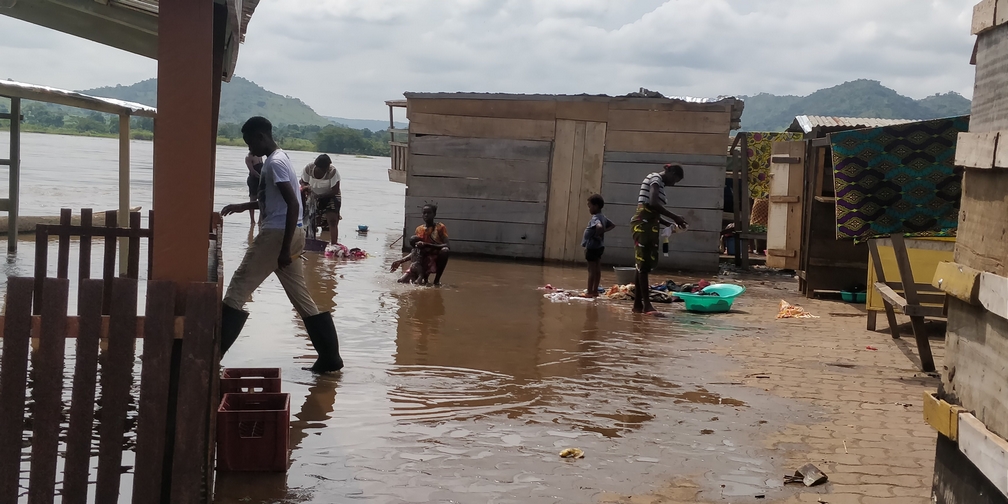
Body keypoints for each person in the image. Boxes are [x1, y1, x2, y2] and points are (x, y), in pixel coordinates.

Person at [218, 116, 344, 373]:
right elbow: (280, 200)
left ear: (261, 137)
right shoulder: (282, 158)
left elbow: (293, 203)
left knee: (236, 291)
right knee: (302, 299)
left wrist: (284, 248)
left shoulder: (274, 164)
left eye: (249, 142)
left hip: (277, 236)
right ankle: (330, 359)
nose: (249, 149)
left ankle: (208, 355)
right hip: (291, 233)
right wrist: (245, 206)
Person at [630, 163, 688, 316]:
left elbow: (653, 211)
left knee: (642, 264)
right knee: (643, 264)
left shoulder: (659, 182)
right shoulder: (655, 178)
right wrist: (675, 217)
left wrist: (669, 224)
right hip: (643, 224)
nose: (673, 184)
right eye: (675, 180)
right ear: (671, 172)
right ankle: (647, 306)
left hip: (649, 223)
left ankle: (638, 305)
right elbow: (653, 204)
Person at [300, 154, 341, 245]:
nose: (325, 171)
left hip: (331, 195)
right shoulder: (308, 169)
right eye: (323, 169)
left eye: (326, 168)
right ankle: (310, 241)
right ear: (316, 166)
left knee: (333, 220)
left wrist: (320, 197)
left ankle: (334, 244)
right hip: (314, 194)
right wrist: (305, 189)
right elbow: (303, 182)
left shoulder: (332, 171)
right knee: (311, 219)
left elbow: (335, 190)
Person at [583, 194, 615, 298]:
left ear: (596, 206)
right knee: (597, 269)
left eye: (590, 206)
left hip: (592, 247)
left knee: (591, 270)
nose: (589, 209)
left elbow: (599, 227)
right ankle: (595, 290)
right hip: (599, 247)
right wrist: (602, 232)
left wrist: (598, 234)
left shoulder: (595, 218)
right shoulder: (603, 217)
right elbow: (612, 225)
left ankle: (589, 292)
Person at [415, 203, 450, 285]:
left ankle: (437, 280)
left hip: (437, 255)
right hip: (424, 255)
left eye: (429, 213)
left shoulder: (440, 227)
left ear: (434, 214)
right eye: (424, 213)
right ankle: (424, 278)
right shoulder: (419, 229)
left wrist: (428, 245)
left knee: (445, 250)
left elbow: (447, 245)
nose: (426, 215)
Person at [245, 153, 264, 226]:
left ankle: (260, 221)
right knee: (253, 200)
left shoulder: (260, 155)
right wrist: (261, 178)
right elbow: (252, 171)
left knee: (261, 200)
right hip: (253, 180)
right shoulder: (248, 157)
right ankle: (252, 221)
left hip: (260, 180)